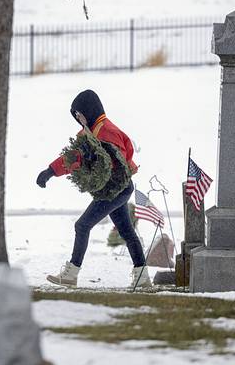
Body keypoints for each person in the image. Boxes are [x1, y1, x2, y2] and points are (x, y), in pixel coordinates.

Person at [36, 89, 151, 288]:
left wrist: (98, 167)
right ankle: (142, 279)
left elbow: (119, 160)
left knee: (82, 225)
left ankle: (71, 274)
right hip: (113, 190)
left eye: (79, 113)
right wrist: (50, 171)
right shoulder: (90, 132)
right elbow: (75, 156)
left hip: (117, 188)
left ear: (88, 110)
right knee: (127, 232)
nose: (77, 118)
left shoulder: (107, 131)